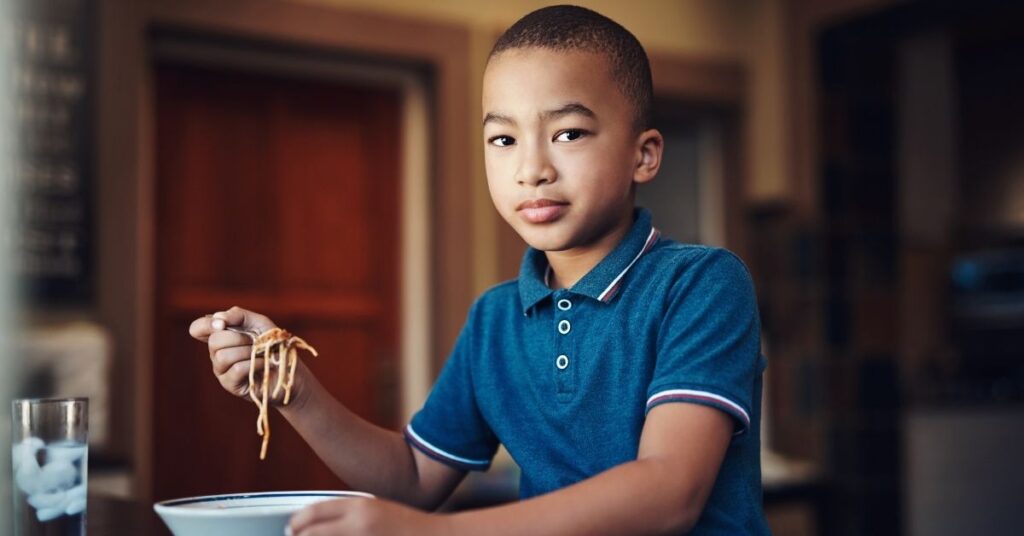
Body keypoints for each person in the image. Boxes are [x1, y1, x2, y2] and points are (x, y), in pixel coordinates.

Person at [189, 5, 769, 535]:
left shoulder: (701, 284)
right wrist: (293, 391)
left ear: (643, 154)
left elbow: (670, 493)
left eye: (568, 133)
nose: (531, 168)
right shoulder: (495, 318)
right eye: (503, 138)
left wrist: (434, 534)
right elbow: (414, 478)